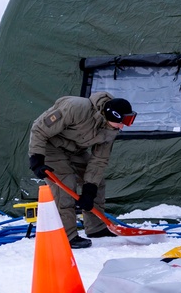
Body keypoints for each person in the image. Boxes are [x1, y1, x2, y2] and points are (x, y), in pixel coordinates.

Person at [28, 93, 137, 249]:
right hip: (51, 148)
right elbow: (39, 129)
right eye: (122, 121)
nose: (123, 126)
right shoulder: (76, 108)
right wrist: (37, 160)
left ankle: (96, 227)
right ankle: (68, 235)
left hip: (75, 150)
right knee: (65, 185)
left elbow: (100, 160)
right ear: (111, 115)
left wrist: (89, 189)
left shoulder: (111, 130)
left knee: (96, 183)